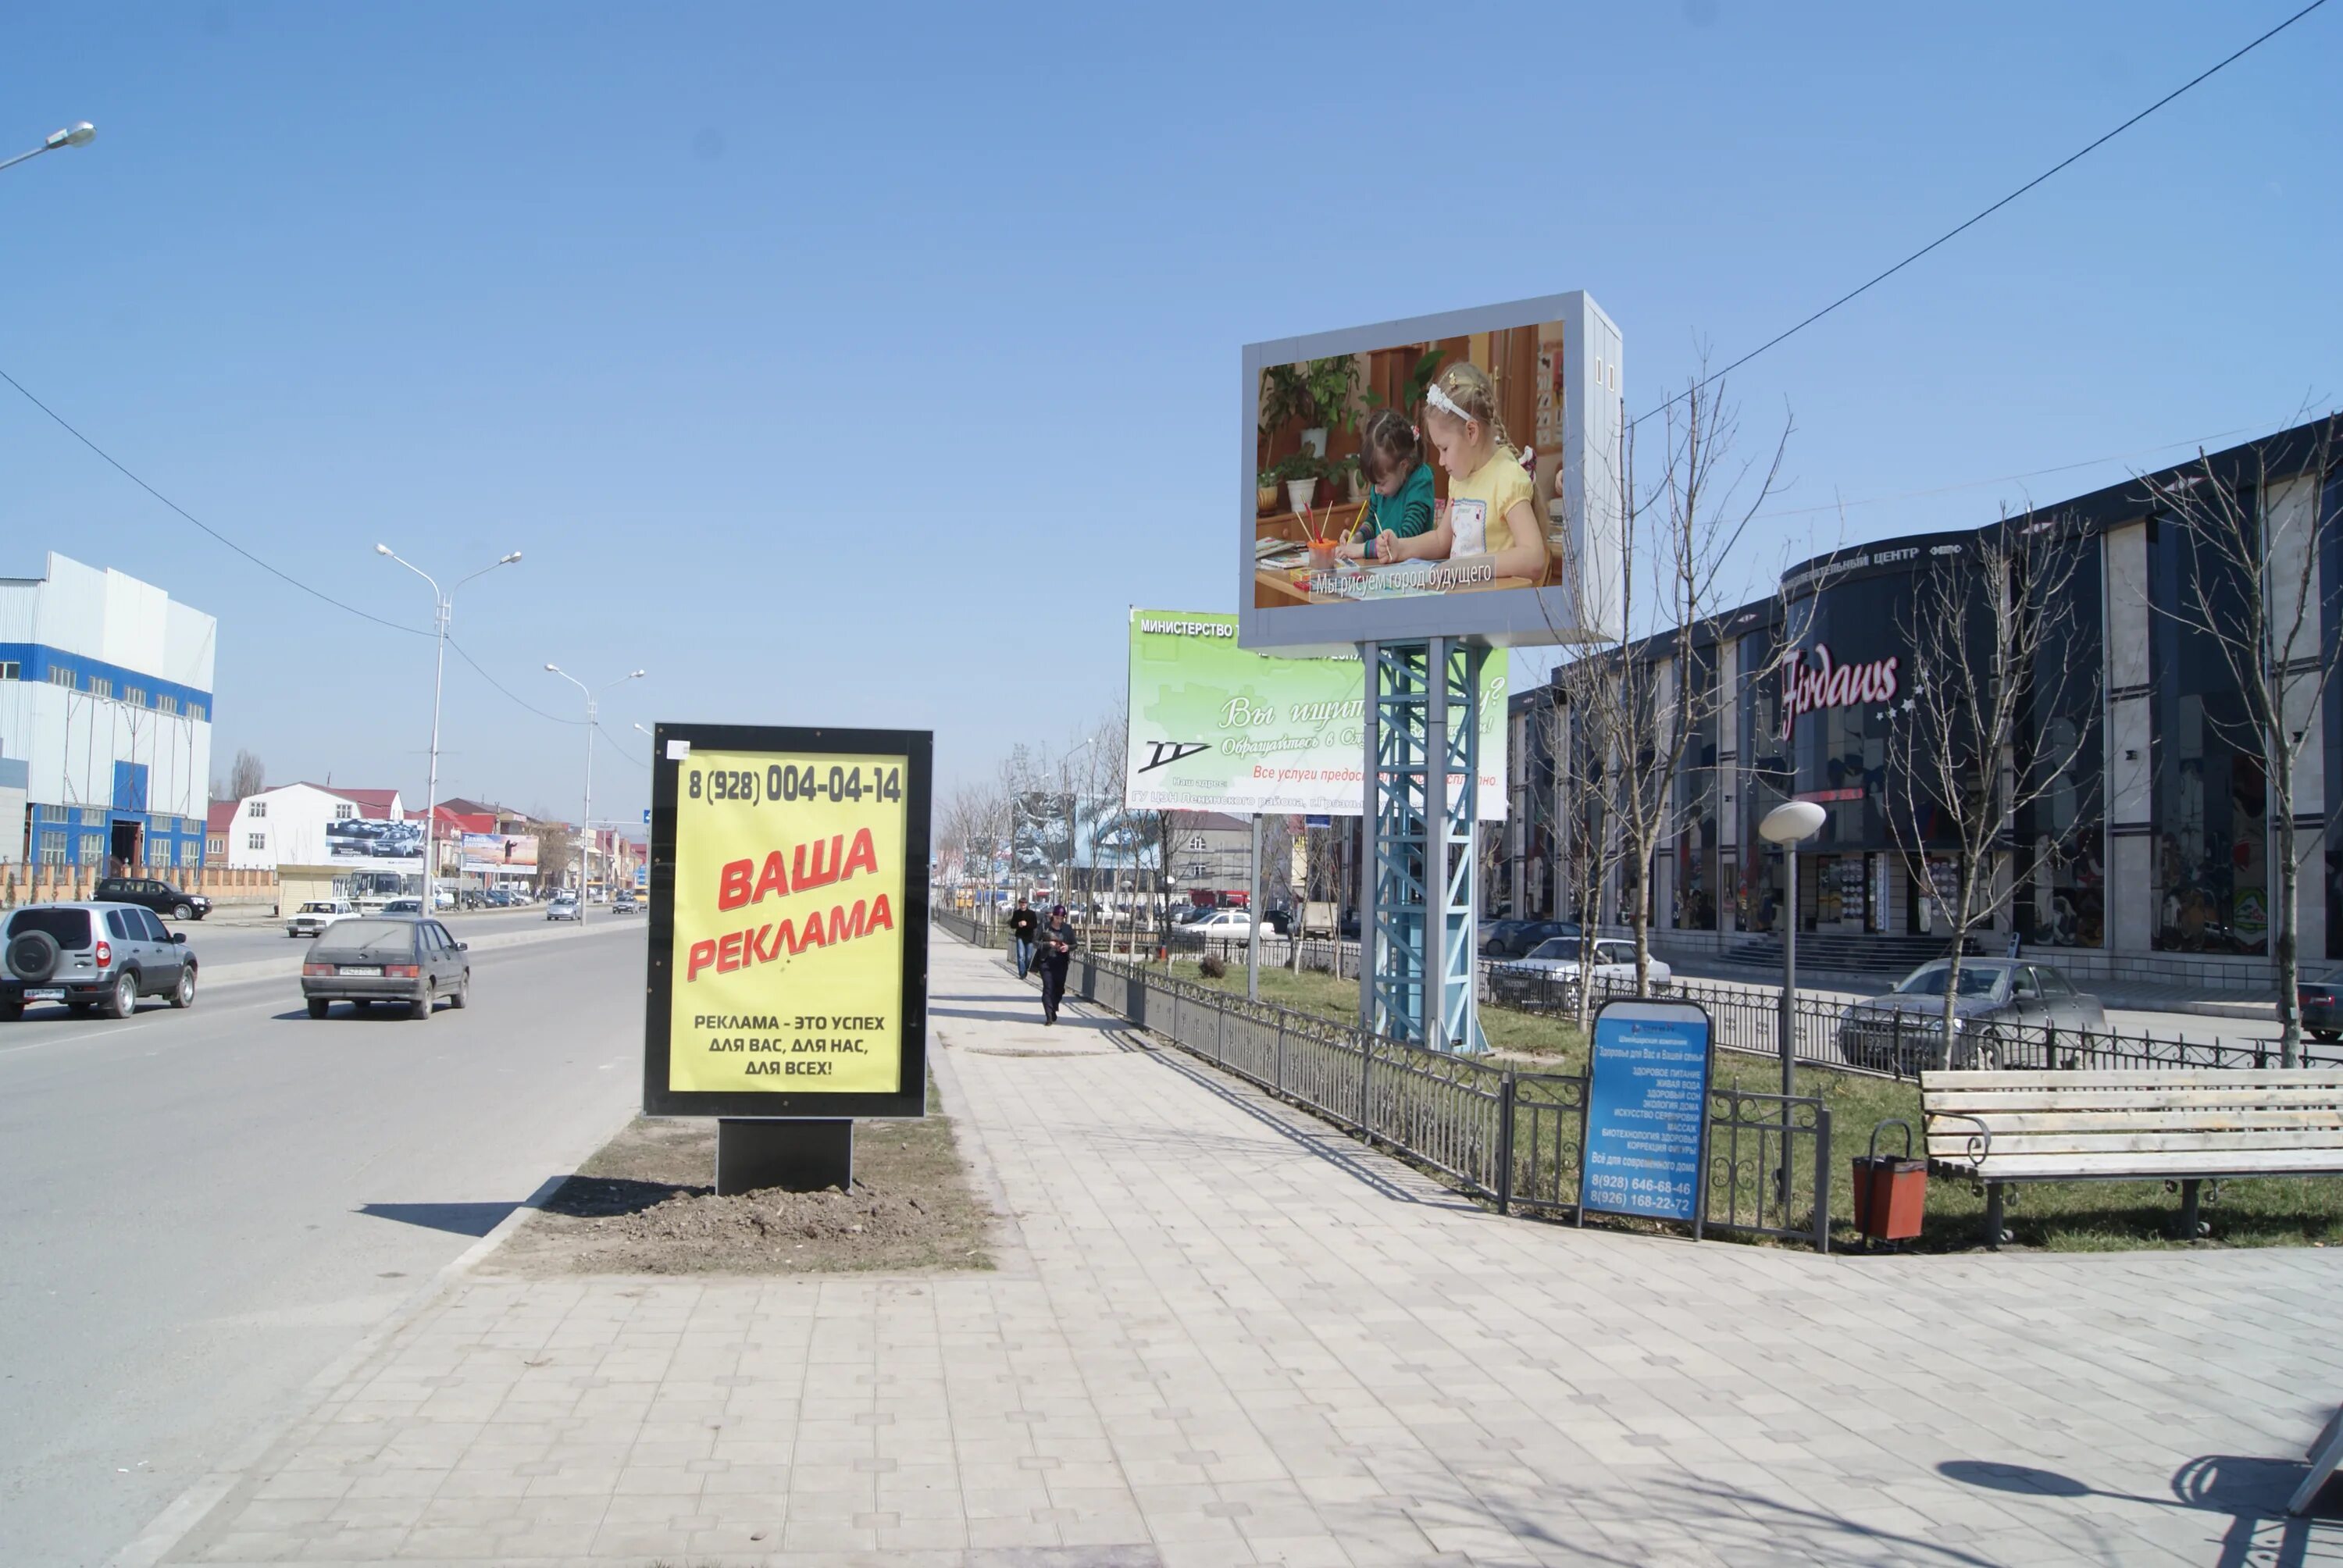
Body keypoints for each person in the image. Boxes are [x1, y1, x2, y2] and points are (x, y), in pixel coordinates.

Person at [1372, 362, 1550, 586]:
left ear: (1471, 432)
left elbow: (1534, 558)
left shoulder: (1507, 477)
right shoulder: (1460, 477)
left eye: (1445, 449)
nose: (1440, 461)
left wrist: (1467, 567)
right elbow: (1440, 540)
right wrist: (1400, 548)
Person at [1337, 408, 1436, 562]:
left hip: (1412, 573)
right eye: (1374, 483)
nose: (1376, 490)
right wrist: (1358, 537)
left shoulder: (1421, 480)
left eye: (1381, 483)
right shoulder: (1380, 487)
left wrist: (1361, 549)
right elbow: (1372, 521)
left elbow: (1404, 538)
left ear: (1403, 466)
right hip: (1382, 569)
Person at [1036, 903, 1077, 1025]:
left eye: (1061, 919)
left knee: (1059, 989)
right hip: (1046, 962)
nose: (1059, 921)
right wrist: (1049, 945)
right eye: (1057, 918)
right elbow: (1035, 942)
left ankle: (1053, 1007)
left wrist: (1068, 947)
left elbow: (1075, 945)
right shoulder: (1044, 927)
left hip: (1061, 962)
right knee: (1048, 988)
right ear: (1052, 916)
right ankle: (1049, 1016)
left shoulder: (1067, 929)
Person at [1008, 898, 1040, 979]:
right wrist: (1019, 924)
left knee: (1028, 957)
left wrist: (1026, 924)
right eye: (1021, 904)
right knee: (1021, 955)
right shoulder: (1017, 913)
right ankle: (1022, 973)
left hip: (1029, 937)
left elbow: (1035, 925)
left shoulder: (1032, 913)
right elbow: (1012, 924)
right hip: (1020, 936)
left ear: (1027, 904)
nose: (1023, 906)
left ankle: (1025, 969)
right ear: (1019, 904)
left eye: (1024, 904)